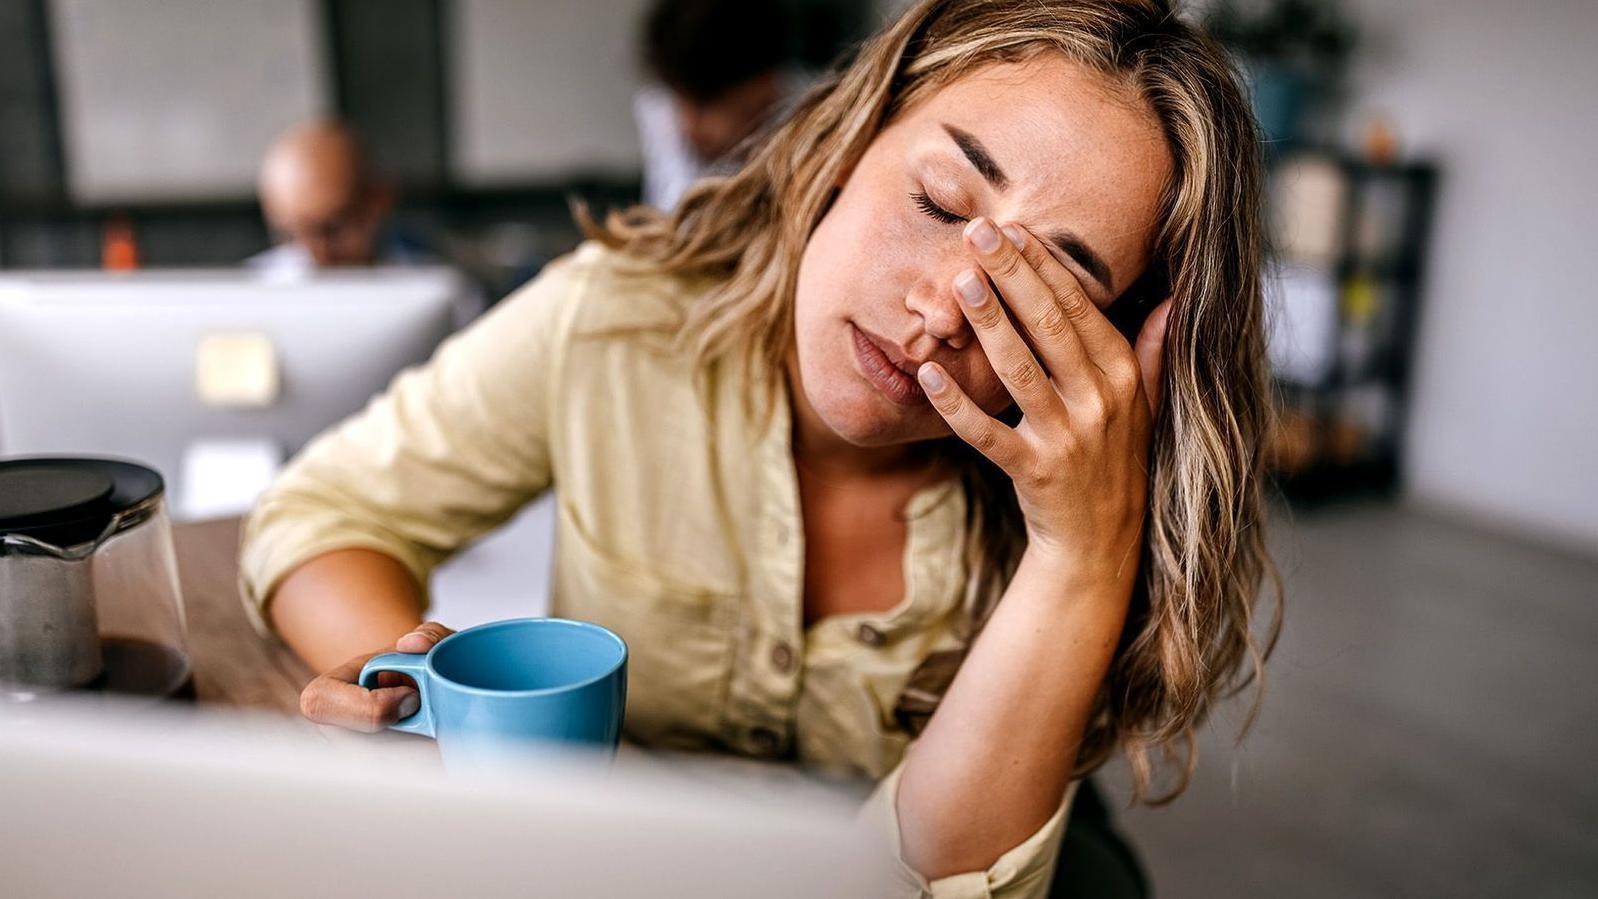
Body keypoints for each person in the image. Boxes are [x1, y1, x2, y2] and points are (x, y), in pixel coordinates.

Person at [243, 1, 1280, 896]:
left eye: (1044, 293)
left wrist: (1079, 555)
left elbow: (922, 878)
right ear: (846, 140)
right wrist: (426, 713)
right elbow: (323, 512)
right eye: (937, 202)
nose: (939, 313)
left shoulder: (1087, 491)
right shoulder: (613, 323)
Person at [633, 0, 803, 210]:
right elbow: (672, 215)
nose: (689, 125)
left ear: (764, 85)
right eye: (679, 98)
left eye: (705, 104)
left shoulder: (810, 125)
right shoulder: (662, 108)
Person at [248, 121, 417, 276]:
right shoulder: (250, 290)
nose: (315, 256)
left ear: (380, 200)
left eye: (331, 229)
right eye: (291, 235)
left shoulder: (429, 279)